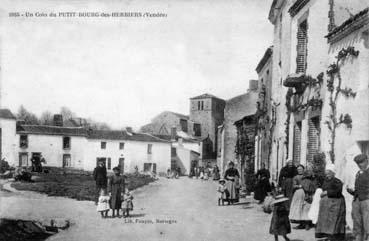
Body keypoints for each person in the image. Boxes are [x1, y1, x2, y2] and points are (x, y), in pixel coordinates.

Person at [315, 163, 346, 241]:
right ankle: (329, 236)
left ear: (333, 173)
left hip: (336, 204)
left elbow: (338, 191)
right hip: (327, 205)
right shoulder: (325, 181)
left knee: (334, 221)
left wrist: (327, 192)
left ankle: (335, 237)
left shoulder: (337, 181)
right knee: (327, 221)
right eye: (326, 174)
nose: (327, 175)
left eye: (329, 173)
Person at [347, 154, 369, 241]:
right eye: (358, 163)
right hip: (357, 200)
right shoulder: (359, 173)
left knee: (367, 221)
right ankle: (358, 238)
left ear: (367, 160)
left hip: (366, 200)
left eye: (362, 162)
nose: (360, 165)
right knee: (357, 221)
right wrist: (352, 191)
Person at [289, 166, 316, 230]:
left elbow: (310, 188)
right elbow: (295, 186)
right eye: (298, 169)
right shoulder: (300, 178)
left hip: (306, 195)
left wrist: (309, 194)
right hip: (301, 195)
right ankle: (302, 224)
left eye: (301, 169)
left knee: (306, 209)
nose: (300, 170)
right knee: (301, 209)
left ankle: (307, 224)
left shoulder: (310, 180)